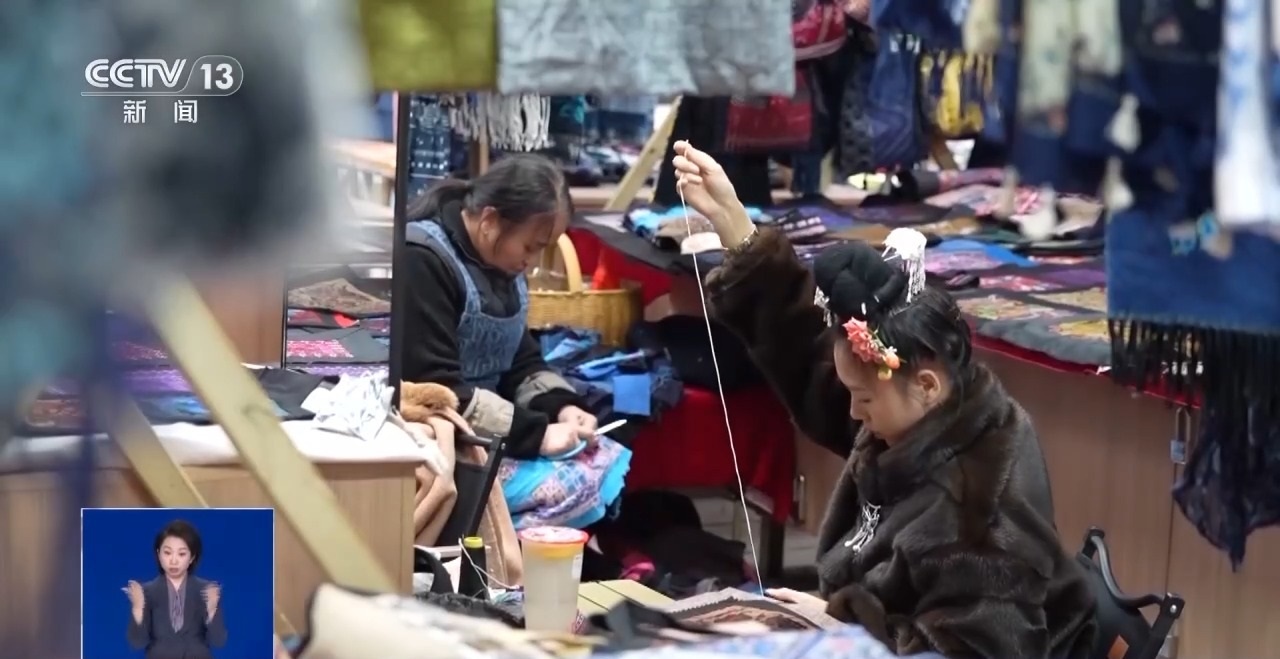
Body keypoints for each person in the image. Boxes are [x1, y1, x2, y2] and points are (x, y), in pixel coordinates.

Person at [670, 141, 1098, 658]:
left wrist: (838, 628)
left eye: (863, 399)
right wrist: (735, 226)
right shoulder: (920, 416)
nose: (852, 412)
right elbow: (805, 355)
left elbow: (976, 650)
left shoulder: (978, 504)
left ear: (927, 385)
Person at [402, 154, 599, 458]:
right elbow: (435, 391)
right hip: (436, 437)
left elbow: (520, 361)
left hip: (487, 432)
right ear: (490, 221)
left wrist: (563, 407)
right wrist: (536, 435)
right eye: (530, 247)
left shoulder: (503, 263)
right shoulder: (421, 260)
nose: (532, 262)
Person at [124, 519, 227, 659]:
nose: (173, 561)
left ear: (192, 557)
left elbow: (218, 641)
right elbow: (137, 643)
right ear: (158, 554)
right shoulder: (147, 593)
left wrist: (212, 610)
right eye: (167, 553)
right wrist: (138, 608)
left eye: (181, 554)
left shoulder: (206, 591)